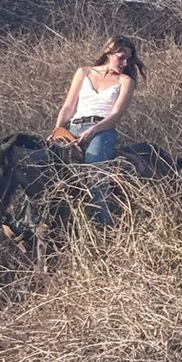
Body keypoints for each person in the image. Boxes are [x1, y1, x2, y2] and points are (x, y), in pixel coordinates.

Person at [53, 35, 145, 223]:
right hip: (74, 126)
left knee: (95, 170)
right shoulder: (84, 72)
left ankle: (102, 222)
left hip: (102, 130)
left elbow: (116, 116)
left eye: (128, 59)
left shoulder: (125, 81)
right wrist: (58, 130)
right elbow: (68, 107)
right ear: (108, 53)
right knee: (46, 165)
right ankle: (32, 222)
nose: (125, 62)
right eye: (121, 57)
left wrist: (93, 131)